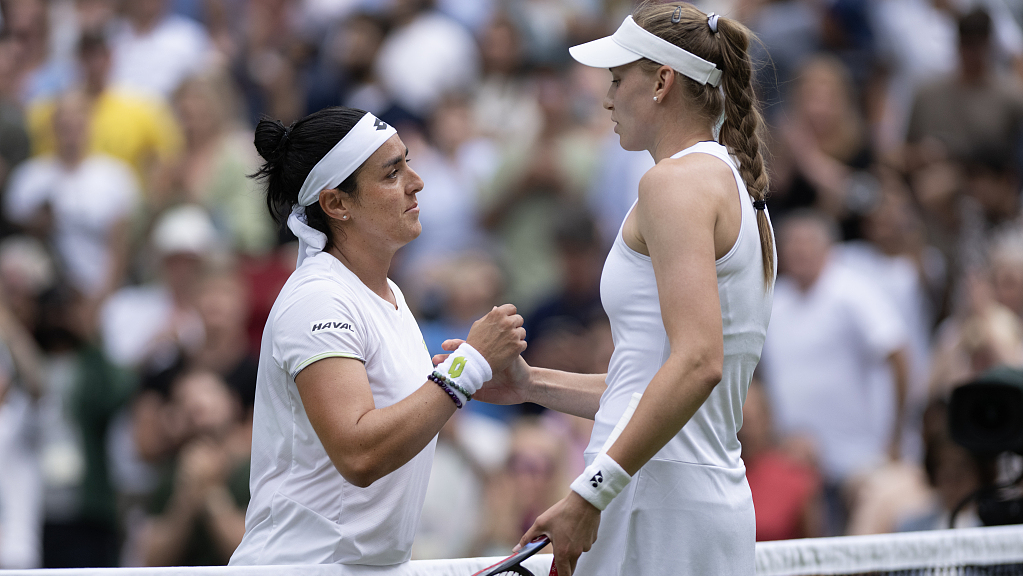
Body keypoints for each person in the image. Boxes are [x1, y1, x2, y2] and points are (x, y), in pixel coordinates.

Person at [454, 4, 776, 573]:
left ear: (661, 82)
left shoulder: (673, 184)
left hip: (654, 502)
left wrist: (588, 496)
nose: (606, 98)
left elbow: (698, 363)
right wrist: (533, 383)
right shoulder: (731, 182)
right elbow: (652, 384)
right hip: (688, 499)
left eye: (617, 79)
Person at [228, 106, 526, 567]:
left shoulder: (390, 296)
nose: (417, 181)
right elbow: (360, 453)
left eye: (407, 161)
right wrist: (468, 367)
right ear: (336, 204)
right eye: (392, 173)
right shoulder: (318, 299)